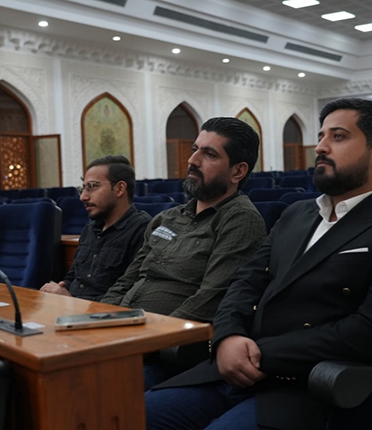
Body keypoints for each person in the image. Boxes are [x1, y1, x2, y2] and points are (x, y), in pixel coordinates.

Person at [144, 98, 372, 430]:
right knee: (128, 413)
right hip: (234, 371)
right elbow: (245, 282)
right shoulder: (297, 214)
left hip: (312, 387)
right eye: (321, 136)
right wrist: (228, 336)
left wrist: (259, 353)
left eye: (338, 137)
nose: (321, 147)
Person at [101, 117, 267, 388]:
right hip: (122, 337)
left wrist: (140, 338)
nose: (192, 160)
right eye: (194, 149)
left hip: (163, 354)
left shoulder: (240, 219)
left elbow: (209, 299)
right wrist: (96, 321)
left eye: (209, 154)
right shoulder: (166, 218)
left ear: (238, 172)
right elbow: (126, 281)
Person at [40, 155, 151, 301]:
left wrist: (72, 301)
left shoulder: (143, 230)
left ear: (120, 189)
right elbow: (73, 276)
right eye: (83, 189)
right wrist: (60, 289)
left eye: (92, 187)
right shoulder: (91, 227)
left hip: (104, 312)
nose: (83, 197)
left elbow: (133, 295)